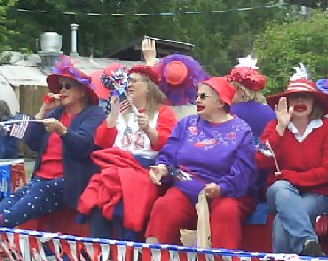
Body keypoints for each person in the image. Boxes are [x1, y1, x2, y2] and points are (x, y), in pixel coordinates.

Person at [146, 76, 258, 251]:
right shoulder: (186, 124)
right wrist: (162, 168)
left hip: (225, 193)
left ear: (221, 102)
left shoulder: (241, 130)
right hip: (185, 190)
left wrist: (221, 188)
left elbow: (244, 171)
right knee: (165, 206)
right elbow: (169, 152)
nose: (197, 100)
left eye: (203, 97)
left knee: (225, 212)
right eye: (197, 96)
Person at [0, 56, 105, 227]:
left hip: (70, 180)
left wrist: (62, 131)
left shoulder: (94, 114)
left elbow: (84, 147)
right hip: (41, 179)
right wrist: (42, 111)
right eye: (60, 87)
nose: (62, 90)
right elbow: (32, 143)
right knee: (10, 201)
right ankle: (1, 222)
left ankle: (3, 223)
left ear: (82, 91)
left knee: (35, 193)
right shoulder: (56, 113)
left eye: (67, 86)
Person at [77, 64, 177, 240]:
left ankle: (127, 255)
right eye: (128, 80)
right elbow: (101, 142)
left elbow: (168, 146)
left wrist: (149, 130)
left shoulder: (163, 113)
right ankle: (103, 254)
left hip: (145, 168)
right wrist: (113, 115)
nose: (129, 84)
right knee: (97, 198)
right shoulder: (122, 111)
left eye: (134, 81)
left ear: (148, 87)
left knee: (125, 200)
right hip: (115, 165)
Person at [256, 74, 328, 256]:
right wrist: (280, 128)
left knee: (281, 221)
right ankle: (308, 248)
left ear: (314, 102)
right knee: (281, 187)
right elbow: (261, 160)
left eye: (305, 96)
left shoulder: (327, 128)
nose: (300, 101)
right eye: (295, 97)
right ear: (286, 102)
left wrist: (293, 177)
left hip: (317, 194)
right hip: (280, 192)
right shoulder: (274, 126)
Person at [227, 55, 276, 201]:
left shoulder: (230, 113)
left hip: (238, 179)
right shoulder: (270, 111)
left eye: (230, 89)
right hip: (263, 178)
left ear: (241, 91)